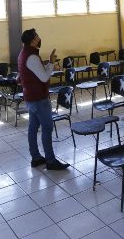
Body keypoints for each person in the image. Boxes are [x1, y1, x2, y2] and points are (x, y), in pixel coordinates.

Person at [18, 28, 70, 170]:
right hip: (39, 98)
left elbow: (36, 72)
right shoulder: (32, 57)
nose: (39, 38)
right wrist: (51, 63)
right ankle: (51, 161)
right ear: (33, 40)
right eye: (37, 36)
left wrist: (47, 64)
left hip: (30, 97)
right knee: (47, 128)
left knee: (33, 127)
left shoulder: (24, 53)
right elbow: (44, 77)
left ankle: (35, 157)